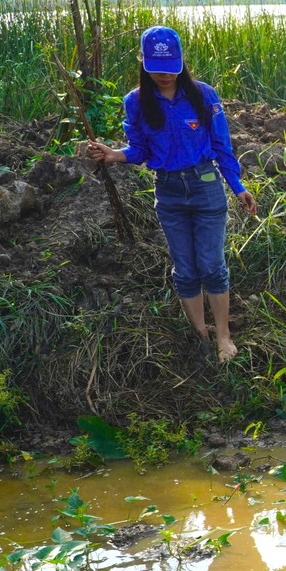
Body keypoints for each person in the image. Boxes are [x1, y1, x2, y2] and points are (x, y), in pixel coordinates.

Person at [86, 25, 256, 363]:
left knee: (211, 265)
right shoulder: (135, 102)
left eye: (171, 68)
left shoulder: (204, 96)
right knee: (185, 269)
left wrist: (238, 188)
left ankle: (224, 335)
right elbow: (139, 149)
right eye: (156, 68)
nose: (164, 75)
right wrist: (113, 154)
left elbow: (222, 146)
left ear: (181, 63)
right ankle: (201, 335)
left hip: (206, 186)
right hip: (169, 192)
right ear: (144, 63)